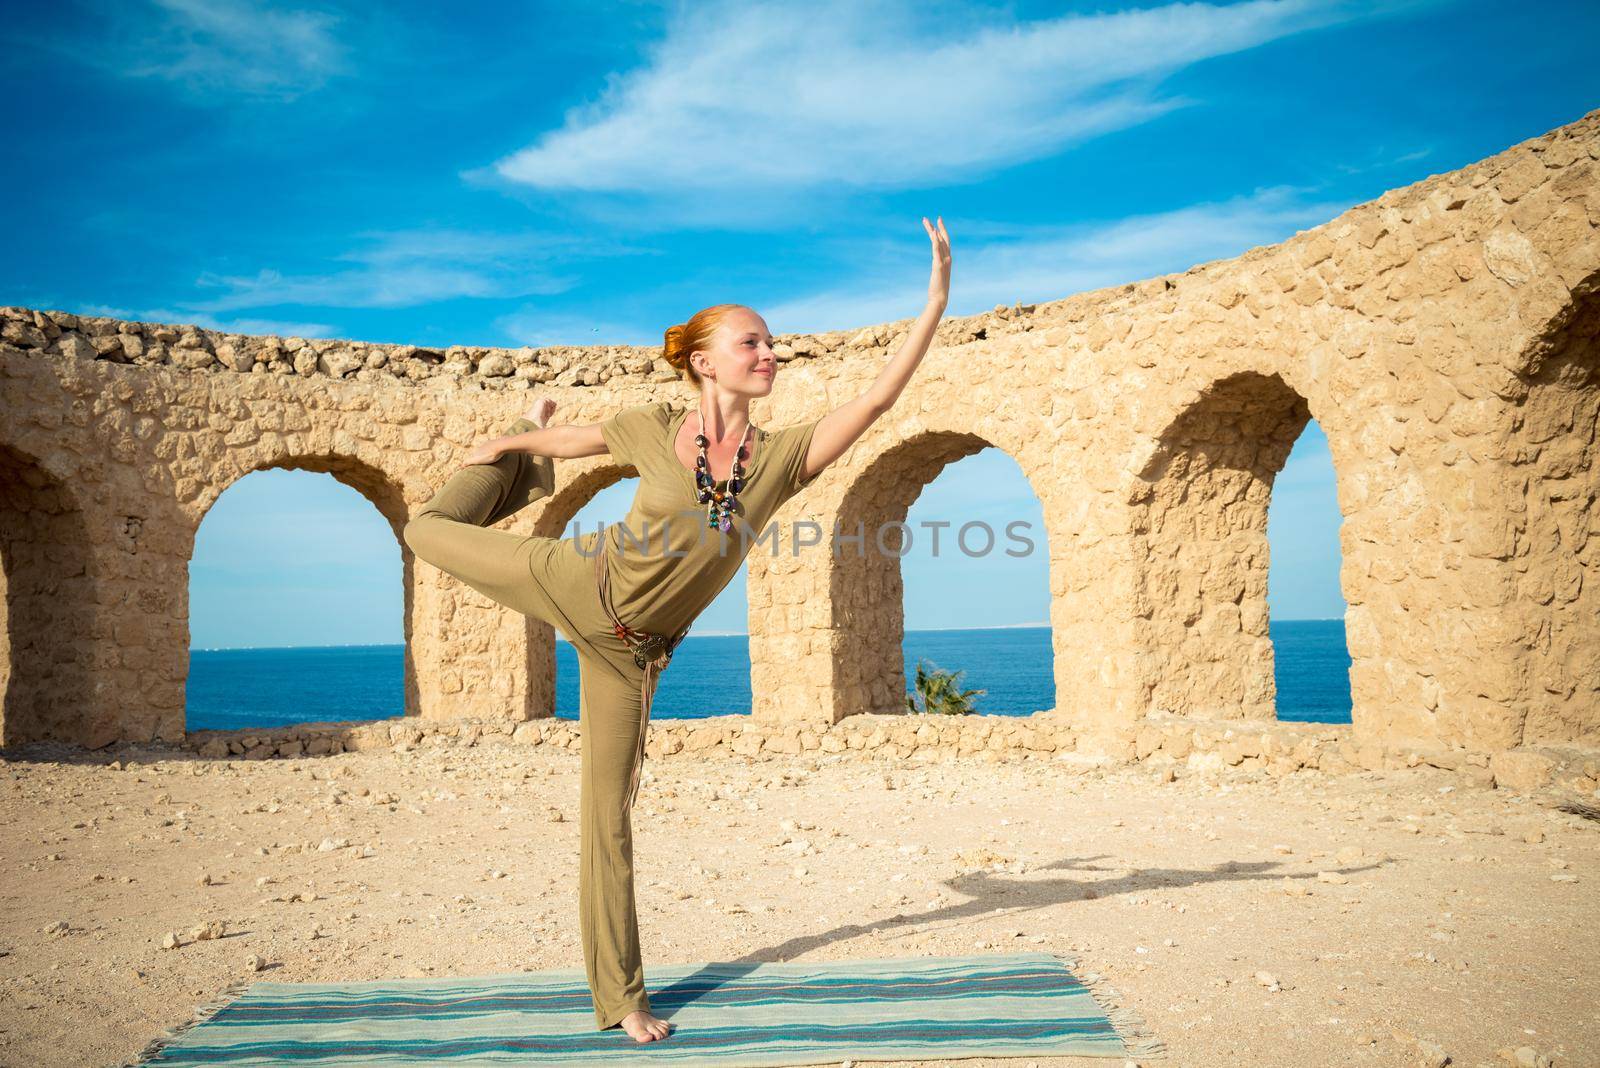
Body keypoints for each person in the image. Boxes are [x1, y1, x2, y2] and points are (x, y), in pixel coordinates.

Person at [401, 217, 952, 1043]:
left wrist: (936, 295)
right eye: (752, 343)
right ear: (703, 361)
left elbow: (875, 398)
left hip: (633, 654)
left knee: (608, 814)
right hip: (575, 577)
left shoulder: (780, 459)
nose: (770, 355)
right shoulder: (652, 427)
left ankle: (620, 997)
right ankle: (512, 481)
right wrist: (517, 439)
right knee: (426, 530)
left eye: (774, 345)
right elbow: (578, 439)